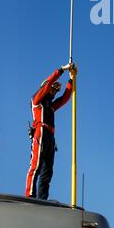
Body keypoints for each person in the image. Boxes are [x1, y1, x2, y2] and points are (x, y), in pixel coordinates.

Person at [25, 63, 77, 200]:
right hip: (40, 134)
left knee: (47, 171)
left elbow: (64, 99)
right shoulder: (36, 102)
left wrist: (71, 80)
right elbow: (48, 84)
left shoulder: (51, 107)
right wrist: (61, 70)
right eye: (52, 90)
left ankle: (42, 199)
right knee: (35, 166)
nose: (54, 93)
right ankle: (30, 195)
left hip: (50, 137)